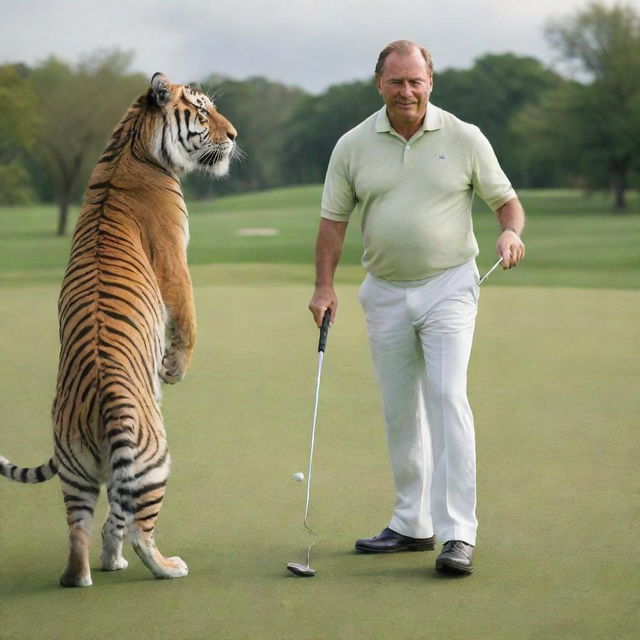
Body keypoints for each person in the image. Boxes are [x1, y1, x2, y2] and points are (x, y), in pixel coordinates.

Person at [308, 40, 525, 575]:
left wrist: (510, 234)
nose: (407, 91)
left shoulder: (464, 137)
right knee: (400, 407)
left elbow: (506, 203)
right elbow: (333, 223)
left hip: (449, 285)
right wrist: (324, 287)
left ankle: (458, 534)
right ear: (378, 83)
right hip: (383, 289)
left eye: (416, 81)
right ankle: (412, 523)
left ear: (431, 82)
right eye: (397, 81)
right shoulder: (353, 144)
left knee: (448, 398)